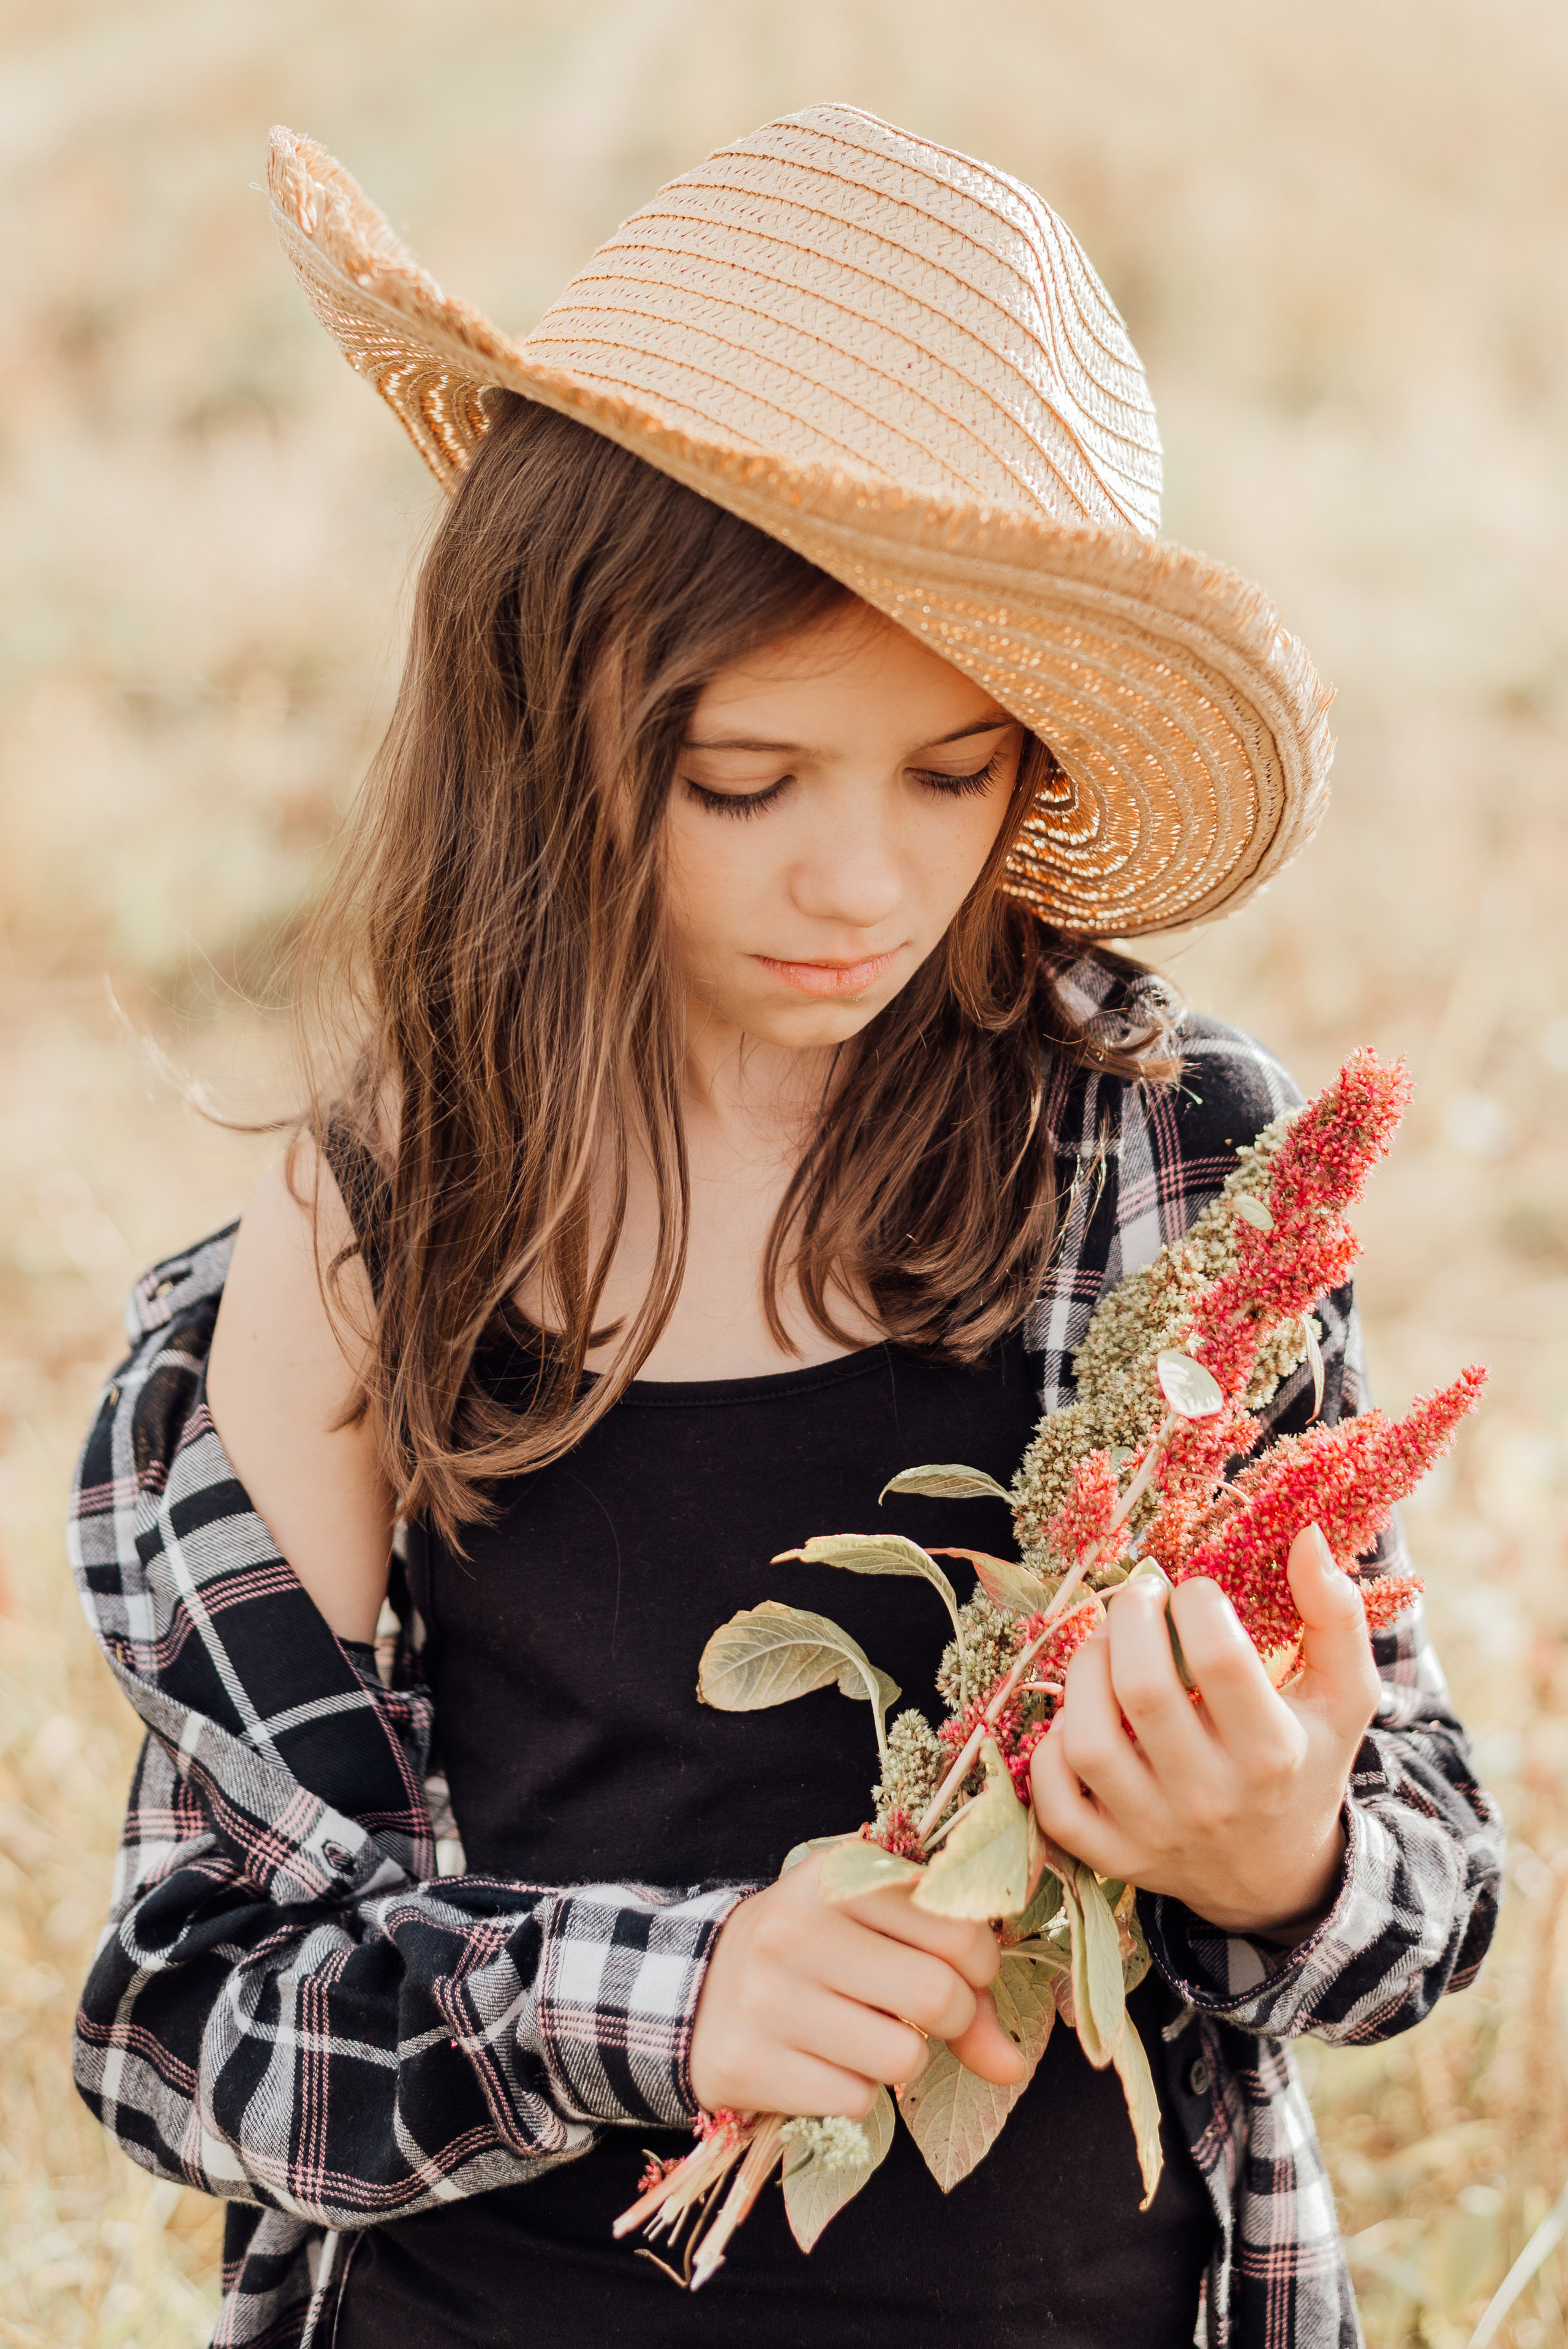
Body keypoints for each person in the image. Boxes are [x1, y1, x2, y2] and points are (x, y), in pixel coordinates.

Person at [68, 105, 1501, 2349]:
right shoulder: (368, 1241)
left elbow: (1431, 1889)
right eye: (747, 779)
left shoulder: (1157, 1170)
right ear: (550, 726)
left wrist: (1277, 1852)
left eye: (955, 774)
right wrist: (665, 1997)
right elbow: (187, 2020)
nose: (864, 881)